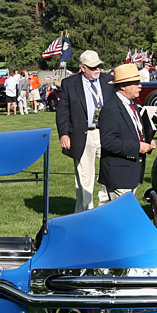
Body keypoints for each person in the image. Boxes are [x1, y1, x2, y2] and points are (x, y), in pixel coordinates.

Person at [56, 49, 115, 212]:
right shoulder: (69, 84)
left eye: (99, 66)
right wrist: (64, 134)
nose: (97, 69)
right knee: (84, 176)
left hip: (106, 133)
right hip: (83, 134)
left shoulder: (109, 81)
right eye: (93, 67)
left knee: (109, 171)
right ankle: (85, 212)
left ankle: (105, 209)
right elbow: (62, 111)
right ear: (82, 67)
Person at [98, 64, 156, 201]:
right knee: (121, 218)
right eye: (136, 83)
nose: (140, 86)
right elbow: (108, 142)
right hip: (118, 174)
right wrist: (137, 147)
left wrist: (147, 142)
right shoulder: (111, 108)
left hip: (131, 172)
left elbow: (134, 131)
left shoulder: (133, 105)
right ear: (123, 86)